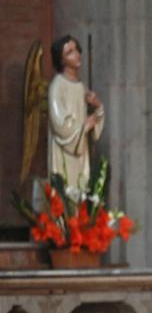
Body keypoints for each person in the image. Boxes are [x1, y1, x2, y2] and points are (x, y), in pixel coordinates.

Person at [48, 34, 104, 196]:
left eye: (77, 50)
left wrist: (98, 105)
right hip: (65, 151)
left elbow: (95, 118)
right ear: (61, 60)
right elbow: (60, 124)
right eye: (69, 52)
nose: (77, 54)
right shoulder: (57, 86)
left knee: (81, 190)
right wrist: (84, 126)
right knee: (65, 194)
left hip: (80, 149)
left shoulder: (81, 86)